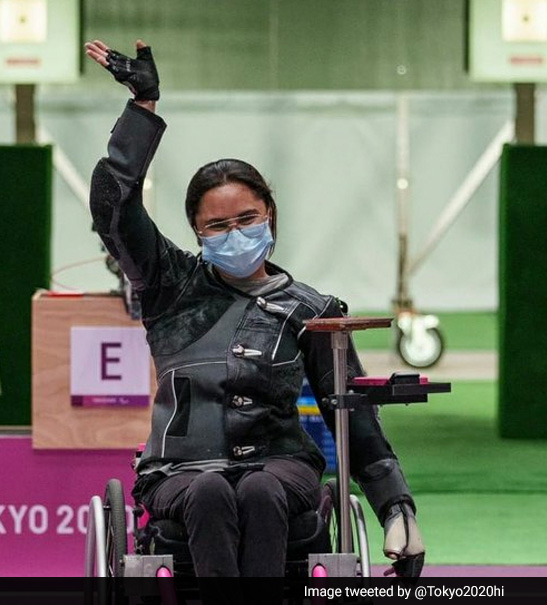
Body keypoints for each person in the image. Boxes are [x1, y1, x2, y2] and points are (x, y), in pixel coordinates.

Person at [84, 39, 425, 582]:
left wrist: (395, 505)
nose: (234, 233)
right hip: (179, 470)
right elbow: (112, 210)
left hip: (282, 468)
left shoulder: (314, 309)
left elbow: (354, 412)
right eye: (217, 225)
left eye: (247, 218)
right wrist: (142, 108)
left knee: (262, 488)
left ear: (270, 215)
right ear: (196, 231)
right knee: (214, 488)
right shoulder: (167, 283)